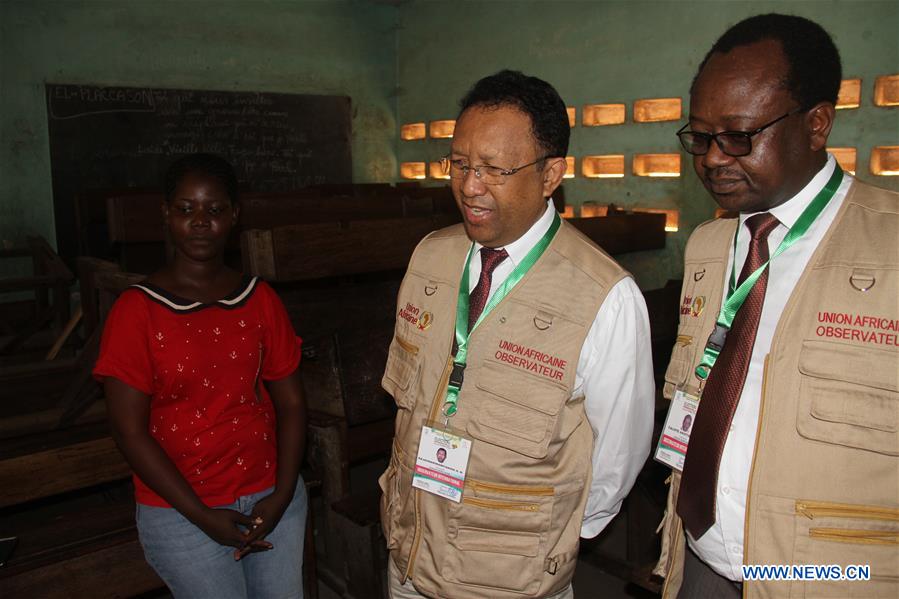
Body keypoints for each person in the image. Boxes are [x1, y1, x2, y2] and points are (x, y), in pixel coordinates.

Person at [380, 70, 654, 599]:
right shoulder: (430, 257)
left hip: (509, 578)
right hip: (409, 557)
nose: (469, 186)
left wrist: (548, 538)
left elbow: (619, 453)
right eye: (459, 164)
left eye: (494, 169)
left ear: (551, 174)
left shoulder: (605, 295)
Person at [655, 14, 899, 599]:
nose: (713, 158)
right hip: (699, 559)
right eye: (700, 136)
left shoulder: (890, 245)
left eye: (738, 136)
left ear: (816, 124)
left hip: (827, 576)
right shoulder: (710, 246)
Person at [93, 153, 307, 599]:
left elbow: (290, 403)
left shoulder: (259, 298)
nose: (200, 222)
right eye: (185, 209)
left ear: (234, 216)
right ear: (166, 216)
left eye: (214, 209)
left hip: (271, 495)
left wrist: (284, 492)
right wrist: (201, 514)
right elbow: (129, 432)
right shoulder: (137, 311)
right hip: (182, 507)